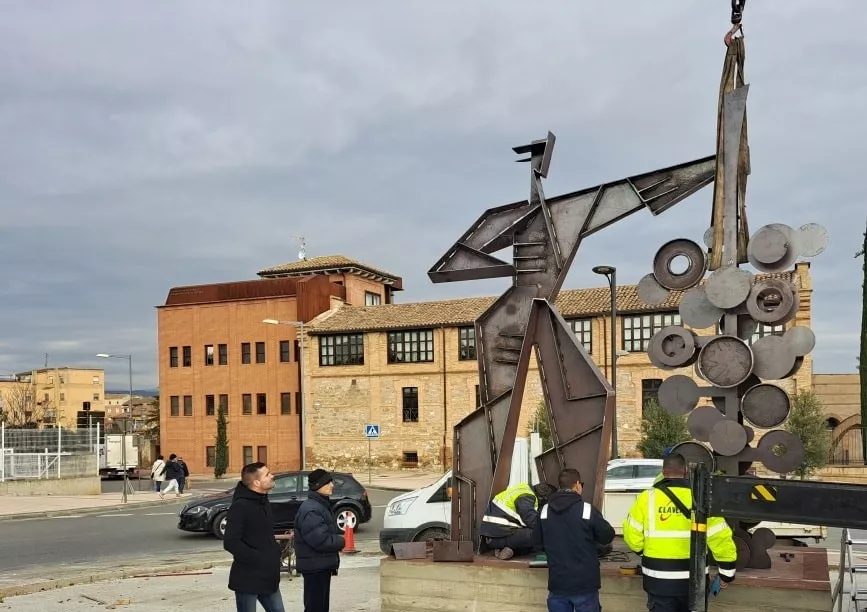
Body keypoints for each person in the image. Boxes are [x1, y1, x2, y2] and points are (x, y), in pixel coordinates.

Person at [623, 453, 737, 612]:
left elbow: (631, 533)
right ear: (685, 472)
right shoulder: (701, 499)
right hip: (693, 581)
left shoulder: (645, 498)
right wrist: (726, 573)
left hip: (658, 580)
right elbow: (719, 536)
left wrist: (644, 552)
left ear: (663, 472)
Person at [532, 468, 614, 612]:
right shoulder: (587, 510)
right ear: (577, 484)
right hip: (585, 585)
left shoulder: (544, 512)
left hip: (557, 584)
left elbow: (537, 543)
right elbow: (607, 536)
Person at [223, 462, 284, 612]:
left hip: (268, 577)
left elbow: (263, 536)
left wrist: (275, 552)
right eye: (267, 474)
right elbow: (231, 542)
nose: (272, 476)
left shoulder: (263, 501)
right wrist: (258, 558)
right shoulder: (240, 506)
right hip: (248, 579)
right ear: (256, 483)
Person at [294, 469, 346, 612]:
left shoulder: (320, 505)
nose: (332, 485)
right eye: (328, 482)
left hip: (320, 565)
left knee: (320, 607)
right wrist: (341, 542)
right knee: (315, 607)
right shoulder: (311, 509)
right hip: (315, 567)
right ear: (318, 486)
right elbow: (320, 540)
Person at [480, 481, 556, 560]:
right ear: (543, 498)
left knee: (534, 543)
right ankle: (509, 549)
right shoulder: (526, 497)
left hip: (498, 535)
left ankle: (509, 550)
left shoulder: (524, 489)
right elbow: (532, 521)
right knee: (538, 534)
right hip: (496, 538)